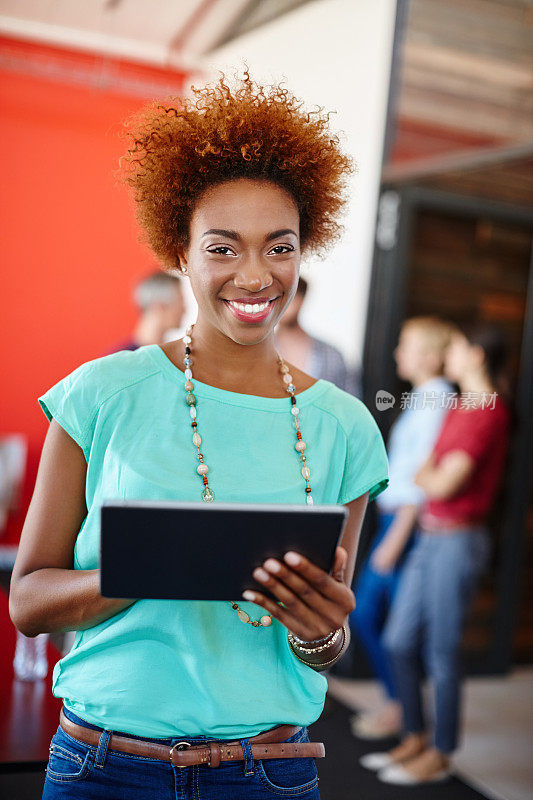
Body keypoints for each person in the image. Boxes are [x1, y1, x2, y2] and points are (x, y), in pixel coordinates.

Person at [9, 70, 389, 800]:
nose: (254, 275)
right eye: (222, 248)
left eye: (279, 248)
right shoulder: (100, 393)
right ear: (178, 252)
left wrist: (318, 632)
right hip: (100, 768)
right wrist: (151, 568)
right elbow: (28, 601)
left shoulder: (343, 427)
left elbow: (324, 649)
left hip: (269, 774)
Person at [361, 322, 512, 785]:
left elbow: (441, 481)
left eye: (461, 347)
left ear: (477, 357)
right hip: (430, 534)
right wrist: (429, 475)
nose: (452, 352)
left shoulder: (487, 412)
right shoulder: (458, 407)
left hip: (458, 540)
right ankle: (414, 735)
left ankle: (441, 753)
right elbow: (425, 472)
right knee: (398, 642)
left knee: (441, 653)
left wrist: (429, 476)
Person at [350, 316, 455, 739]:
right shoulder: (423, 397)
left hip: (403, 524)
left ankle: (402, 708)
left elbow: (421, 477)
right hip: (394, 520)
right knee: (379, 618)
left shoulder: (436, 398)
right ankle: (401, 706)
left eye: (406, 345)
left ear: (430, 355)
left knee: (375, 617)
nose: (398, 353)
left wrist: (396, 536)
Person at [275, 277, 361, 396]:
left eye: (289, 297)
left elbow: (350, 405)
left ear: (301, 299)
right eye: (276, 298)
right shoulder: (257, 352)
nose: (282, 304)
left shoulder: (332, 355)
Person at [104, 270, 186, 354]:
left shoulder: (174, 355)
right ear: (160, 306)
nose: (184, 310)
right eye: (180, 302)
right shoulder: (119, 359)